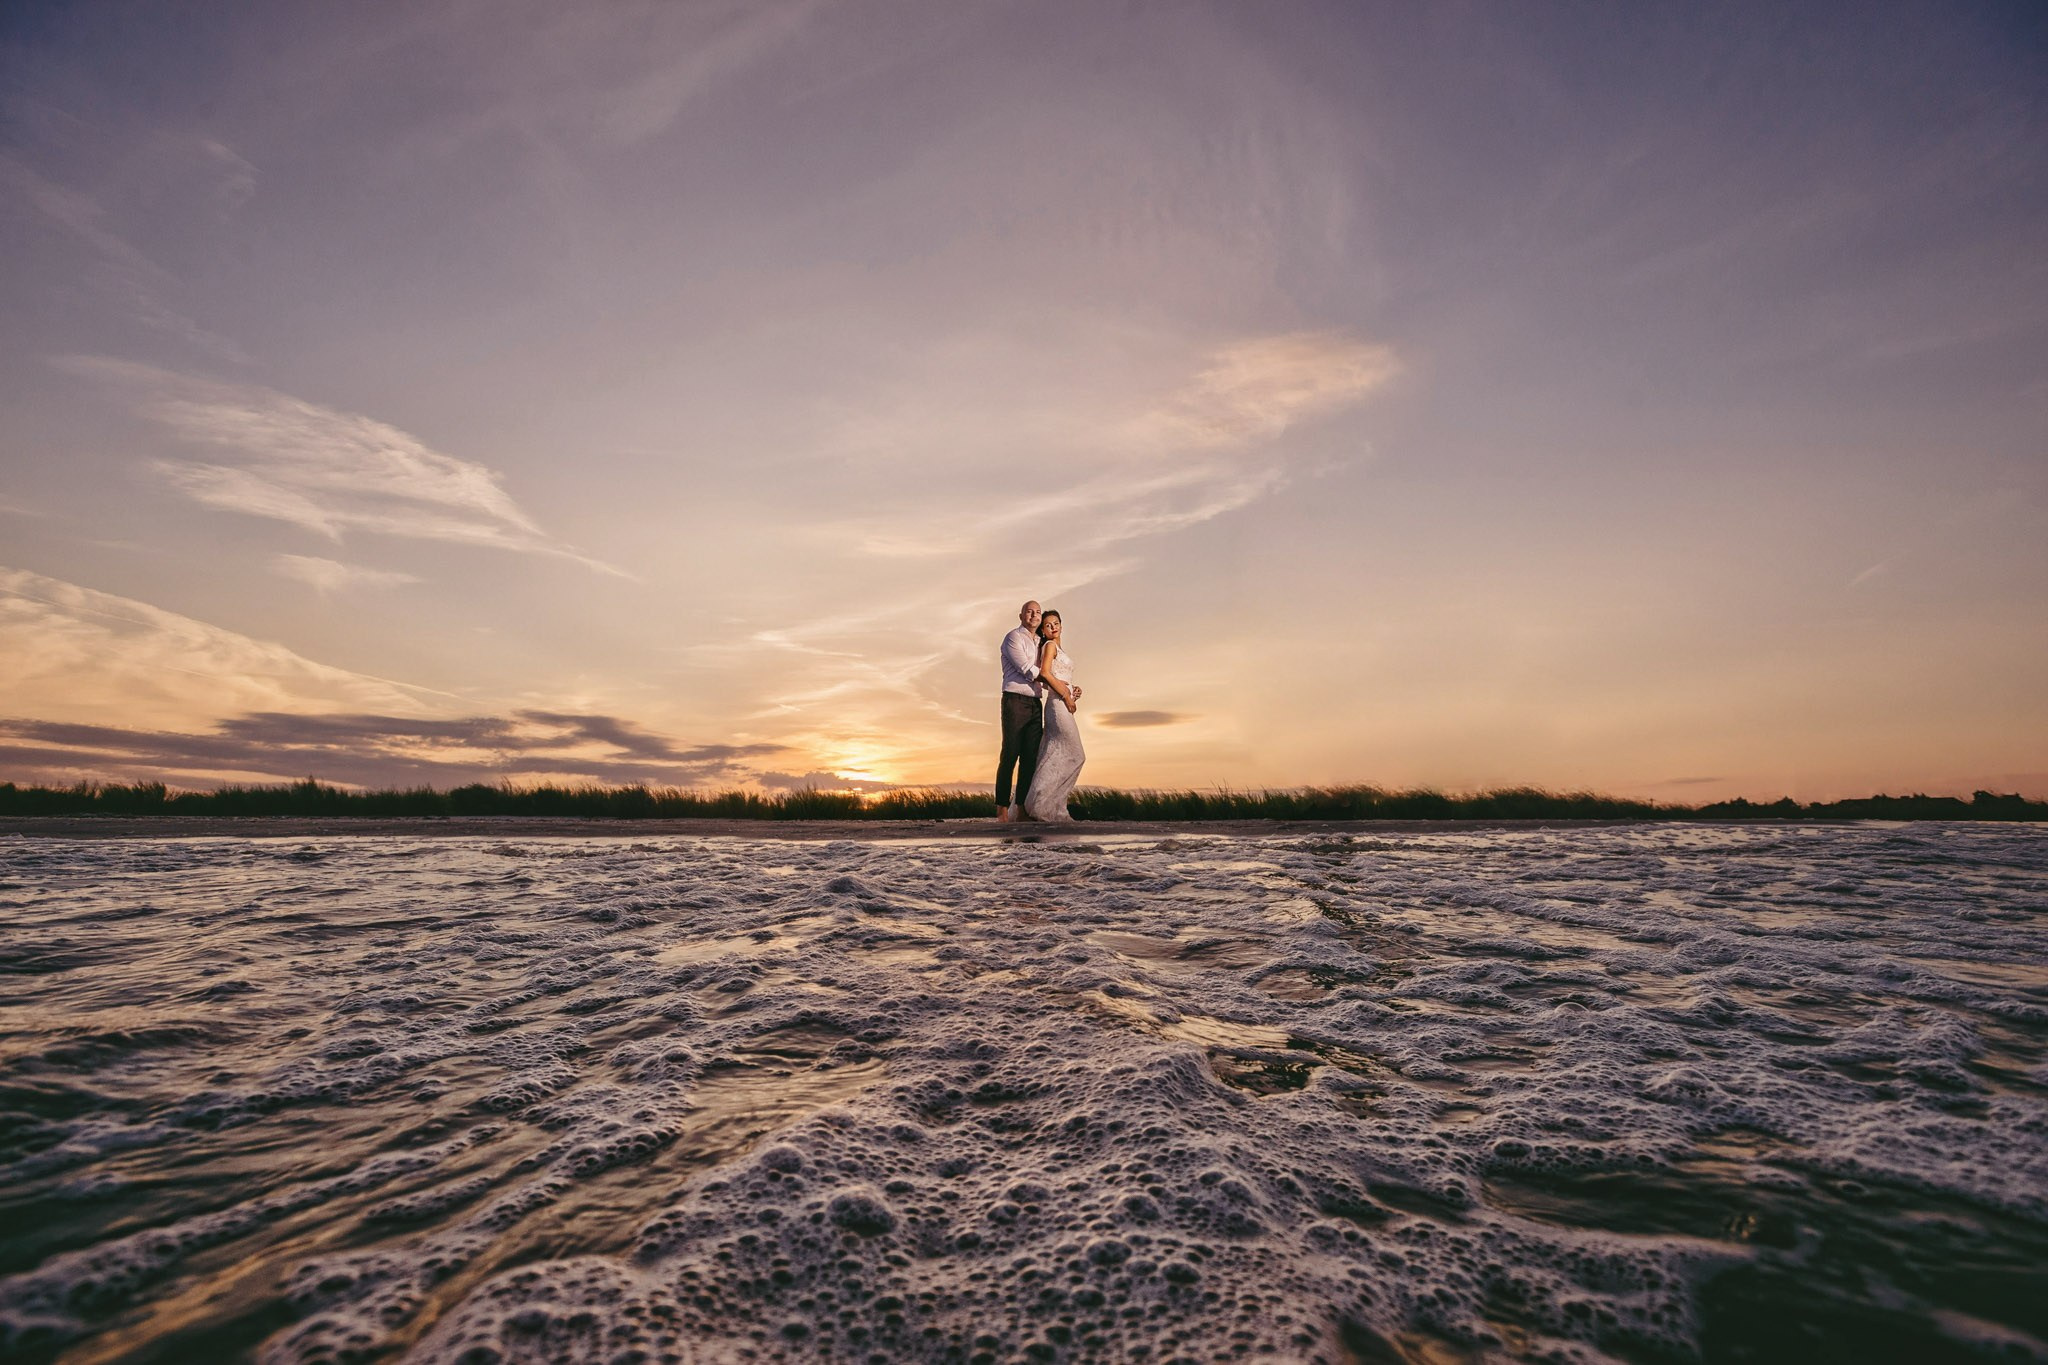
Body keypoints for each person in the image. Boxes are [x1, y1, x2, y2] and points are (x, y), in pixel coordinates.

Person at [1023, 608, 1085, 822]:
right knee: (1076, 754)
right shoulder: (1049, 645)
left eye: (1056, 623)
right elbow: (1045, 673)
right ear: (1043, 630)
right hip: (1057, 704)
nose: (1053, 627)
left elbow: (1061, 676)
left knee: (1056, 752)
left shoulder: (1059, 648)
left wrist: (1073, 689)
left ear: (1061, 625)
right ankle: (1041, 805)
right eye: (1048, 625)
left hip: (1063, 702)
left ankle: (1056, 807)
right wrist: (1066, 695)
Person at [996, 600, 1045, 821]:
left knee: (1030, 758)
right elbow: (1028, 670)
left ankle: (1021, 808)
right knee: (1010, 754)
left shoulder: (1041, 642)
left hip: (1035, 703)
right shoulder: (1013, 638)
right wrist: (1059, 686)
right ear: (1021, 616)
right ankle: (1002, 809)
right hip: (1014, 700)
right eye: (1029, 611)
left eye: (1038, 612)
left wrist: (1069, 688)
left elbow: (1046, 673)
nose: (1034, 615)